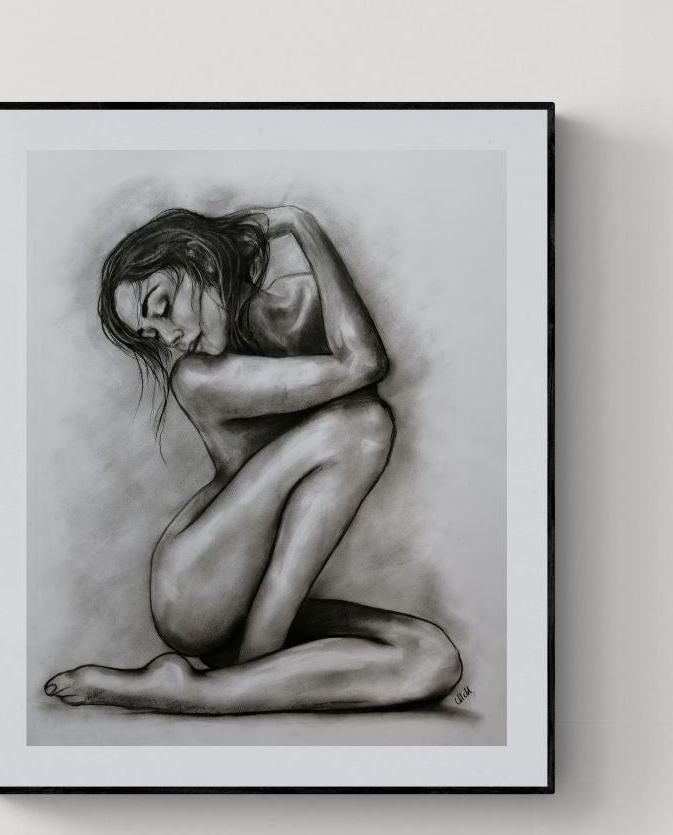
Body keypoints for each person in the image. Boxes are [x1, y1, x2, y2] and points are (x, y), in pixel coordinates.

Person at [43, 203, 461, 714]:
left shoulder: (304, 303)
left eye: (163, 306)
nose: (171, 337)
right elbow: (362, 366)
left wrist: (300, 223)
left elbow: (365, 357)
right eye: (152, 336)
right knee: (366, 425)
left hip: (258, 595)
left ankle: (200, 689)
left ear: (203, 260)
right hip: (197, 584)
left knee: (433, 659)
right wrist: (297, 221)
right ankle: (252, 661)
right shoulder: (197, 378)